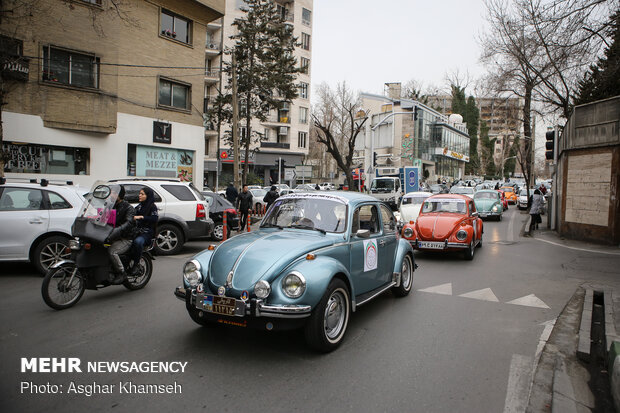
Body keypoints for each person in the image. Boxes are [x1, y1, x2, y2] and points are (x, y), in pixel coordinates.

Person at [107, 186, 135, 283]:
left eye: (114, 193)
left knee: (112, 251)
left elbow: (129, 222)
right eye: (111, 192)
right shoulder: (110, 205)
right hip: (111, 236)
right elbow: (102, 217)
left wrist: (118, 230)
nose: (111, 195)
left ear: (120, 195)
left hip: (125, 238)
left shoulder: (128, 208)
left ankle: (121, 273)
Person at [128, 187, 158, 276]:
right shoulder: (139, 206)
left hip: (146, 232)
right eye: (139, 193)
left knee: (138, 242)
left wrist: (142, 217)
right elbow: (132, 213)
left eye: (142, 194)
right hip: (136, 231)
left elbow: (154, 218)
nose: (139, 195)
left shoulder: (152, 206)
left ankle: (136, 264)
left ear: (147, 196)